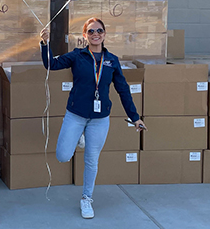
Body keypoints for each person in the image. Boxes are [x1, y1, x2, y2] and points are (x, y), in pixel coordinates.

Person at [39, 17, 147, 219]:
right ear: (84, 35)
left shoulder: (112, 61)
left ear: (104, 34)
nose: (95, 34)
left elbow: (123, 89)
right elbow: (51, 65)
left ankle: (86, 198)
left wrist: (135, 117)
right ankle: (79, 136)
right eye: (91, 31)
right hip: (76, 115)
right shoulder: (77, 56)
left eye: (99, 31)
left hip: (100, 119)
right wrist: (45, 44)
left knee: (91, 160)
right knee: (63, 155)